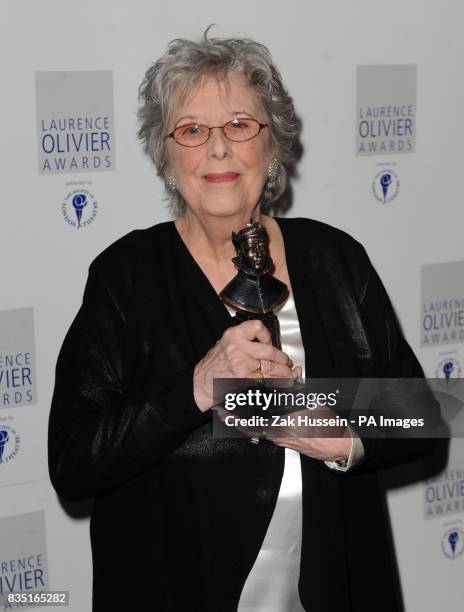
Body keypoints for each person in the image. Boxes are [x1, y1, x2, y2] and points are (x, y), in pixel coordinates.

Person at [48, 30, 437, 612]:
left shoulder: (336, 258)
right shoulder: (125, 276)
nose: (219, 150)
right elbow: (74, 462)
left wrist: (337, 436)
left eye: (238, 125)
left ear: (272, 143)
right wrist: (195, 388)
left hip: (330, 585)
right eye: (192, 130)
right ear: (166, 151)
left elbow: (421, 416)